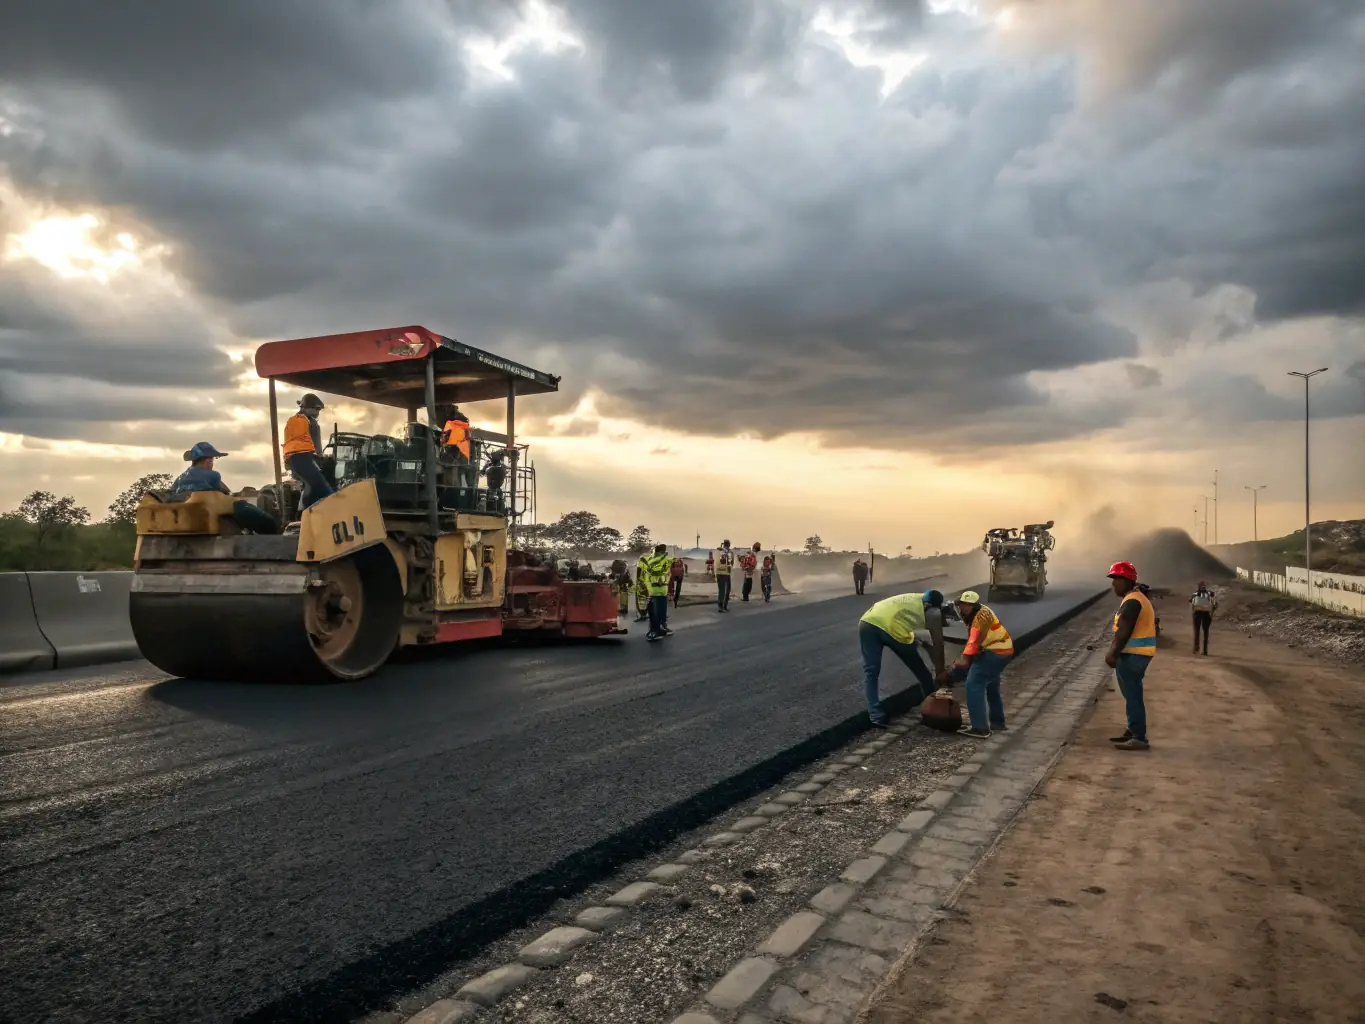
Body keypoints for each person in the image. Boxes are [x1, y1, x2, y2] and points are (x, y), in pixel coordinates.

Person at [859, 589, 947, 728]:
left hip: (867, 622)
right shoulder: (933, 611)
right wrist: (940, 669)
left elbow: (926, 641)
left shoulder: (915, 598)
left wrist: (923, 643)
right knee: (921, 670)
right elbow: (936, 643)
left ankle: (875, 716)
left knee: (871, 672)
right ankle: (932, 707)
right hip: (890, 627)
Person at [171, 442, 280, 534]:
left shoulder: (180, 478)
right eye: (212, 460)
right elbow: (225, 492)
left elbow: (173, 492)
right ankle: (273, 532)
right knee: (251, 512)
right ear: (208, 461)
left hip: (189, 509)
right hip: (210, 505)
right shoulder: (213, 475)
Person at [947, 590, 1014, 739]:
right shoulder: (983, 610)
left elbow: (973, 642)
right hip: (1004, 649)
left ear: (974, 605)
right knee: (991, 685)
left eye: (966, 606)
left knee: (974, 684)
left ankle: (980, 728)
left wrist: (963, 660)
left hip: (994, 652)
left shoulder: (978, 620)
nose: (963, 608)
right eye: (962, 605)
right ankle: (997, 722)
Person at [1106, 561, 1157, 751]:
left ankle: (1138, 737)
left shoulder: (1133, 601)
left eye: (1117, 579)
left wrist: (1112, 653)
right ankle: (1133, 730)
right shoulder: (1134, 598)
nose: (1113, 584)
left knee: (1133, 694)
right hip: (1137, 654)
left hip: (1134, 655)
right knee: (1131, 694)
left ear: (1127, 580)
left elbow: (1123, 632)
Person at [282, 393, 336, 511]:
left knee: (310, 485)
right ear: (308, 408)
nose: (317, 413)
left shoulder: (292, 421)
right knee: (325, 490)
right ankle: (334, 509)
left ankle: (303, 512)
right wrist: (322, 458)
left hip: (292, 459)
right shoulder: (311, 422)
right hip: (305, 458)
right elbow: (317, 447)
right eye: (316, 409)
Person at [641, 543, 674, 641]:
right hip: (653, 591)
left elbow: (668, 574)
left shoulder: (665, 561)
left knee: (662, 612)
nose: (662, 554)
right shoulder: (652, 560)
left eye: (663, 552)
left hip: (662, 591)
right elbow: (653, 572)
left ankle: (662, 628)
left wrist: (664, 583)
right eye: (661, 552)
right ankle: (654, 631)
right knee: (654, 614)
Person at [1190, 581, 1218, 655]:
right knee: (1204, 633)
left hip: (1198, 614)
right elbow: (1215, 604)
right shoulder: (1209, 593)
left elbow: (1191, 602)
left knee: (1198, 632)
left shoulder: (1196, 594)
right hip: (1205, 614)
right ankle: (1203, 650)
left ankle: (1197, 648)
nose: (1203, 587)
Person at [715, 539, 734, 611]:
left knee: (721, 590)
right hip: (726, 573)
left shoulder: (719, 551)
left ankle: (721, 606)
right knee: (727, 590)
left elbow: (716, 562)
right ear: (729, 544)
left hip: (719, 573)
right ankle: (724, 606)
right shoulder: (730, 552)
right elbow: (732, 562)